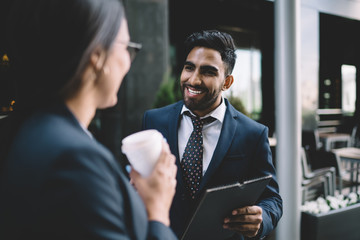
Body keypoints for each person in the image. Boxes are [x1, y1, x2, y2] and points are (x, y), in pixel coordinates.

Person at [0, 0, 178, 239]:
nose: (128, 60)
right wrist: (158, 212)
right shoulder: (75, 160)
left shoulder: (26, 128)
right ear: (96, 56)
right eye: (126, 46)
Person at [142, 30, 283, 239]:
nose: (194, 80)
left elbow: (272, 199)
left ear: (227, 82)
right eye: (189, 67)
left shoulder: (253, 133)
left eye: (208, 72)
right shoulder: (153, 120)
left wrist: (262, 217)